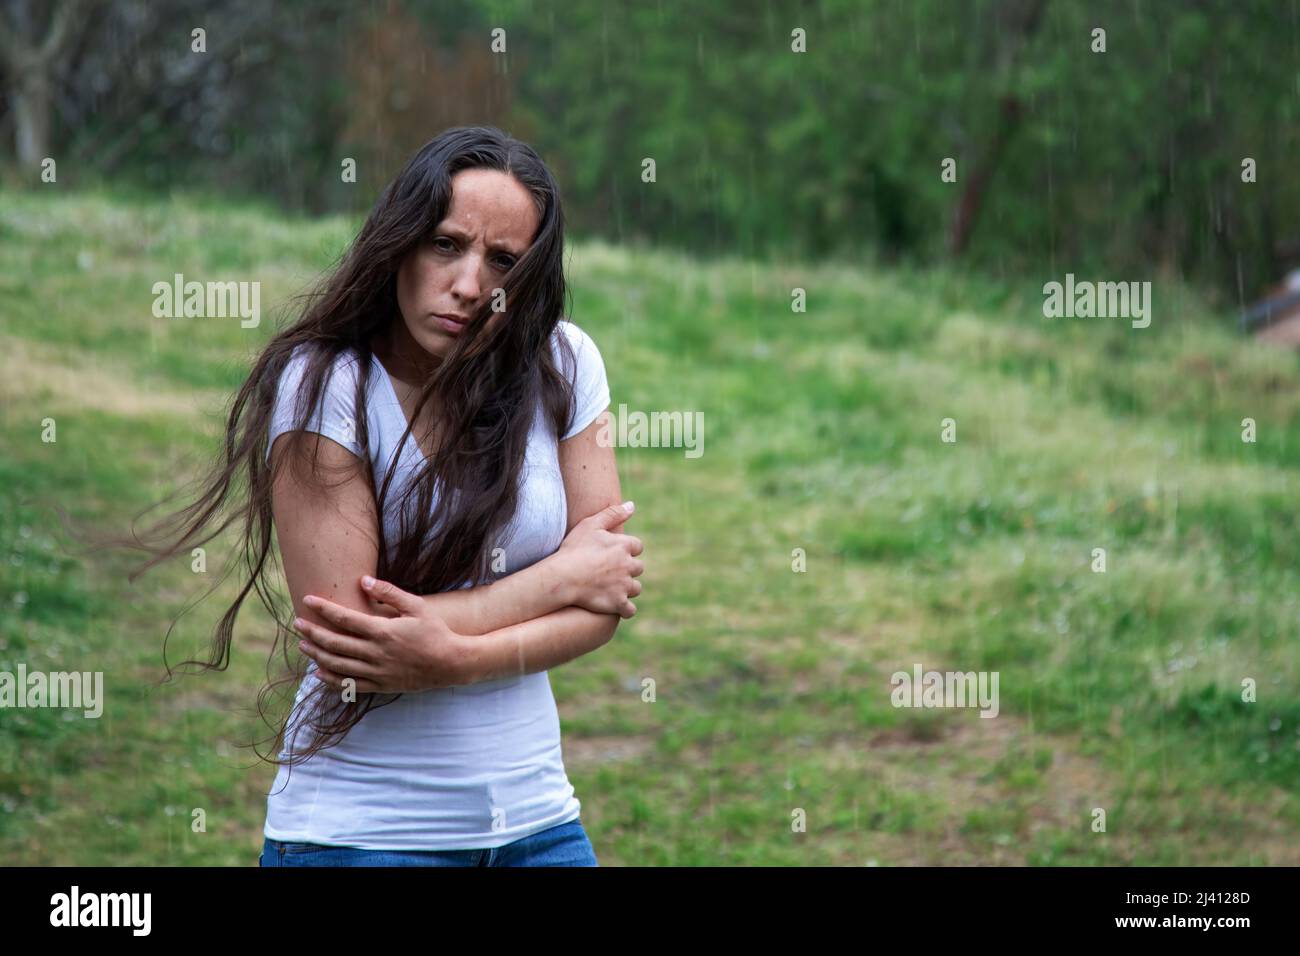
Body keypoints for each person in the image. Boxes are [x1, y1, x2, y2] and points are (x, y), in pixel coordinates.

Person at [127, 126, 645, 867]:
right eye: (446, 244)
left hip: (538, 823)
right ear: (399, 241)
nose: (470, 284)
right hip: (365, 833)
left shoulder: (563, 361)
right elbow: (351, 638)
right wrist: (558, 578)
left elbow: (604, 601)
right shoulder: (325, 382)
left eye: (503, 260)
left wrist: (449, 654)